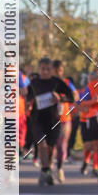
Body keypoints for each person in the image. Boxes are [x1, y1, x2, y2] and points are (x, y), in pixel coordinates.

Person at [25, 57, 74, 186]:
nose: (45, 72)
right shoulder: (34, 83)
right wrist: (28, 104)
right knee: (42, 144)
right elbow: (29, 97)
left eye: (47, 69)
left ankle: (46, 169)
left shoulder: (57, 82)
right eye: (42, 69)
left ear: (51, 69)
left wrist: (60, 99)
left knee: (51, 148)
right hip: (38, 119)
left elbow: (71, 97)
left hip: (54, 120)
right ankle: (46, 170)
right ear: (39, 69)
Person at [52, 60, 78, 183]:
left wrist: (64, 98)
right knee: (50, 146)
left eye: (60, 71)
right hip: (49, 118)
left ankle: (60, 168)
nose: (58, 73)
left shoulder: (66, 83)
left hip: (64, 118)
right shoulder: (47, 83)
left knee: (62, 145)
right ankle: (47, 168)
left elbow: (75, 96)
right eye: (55, 70)